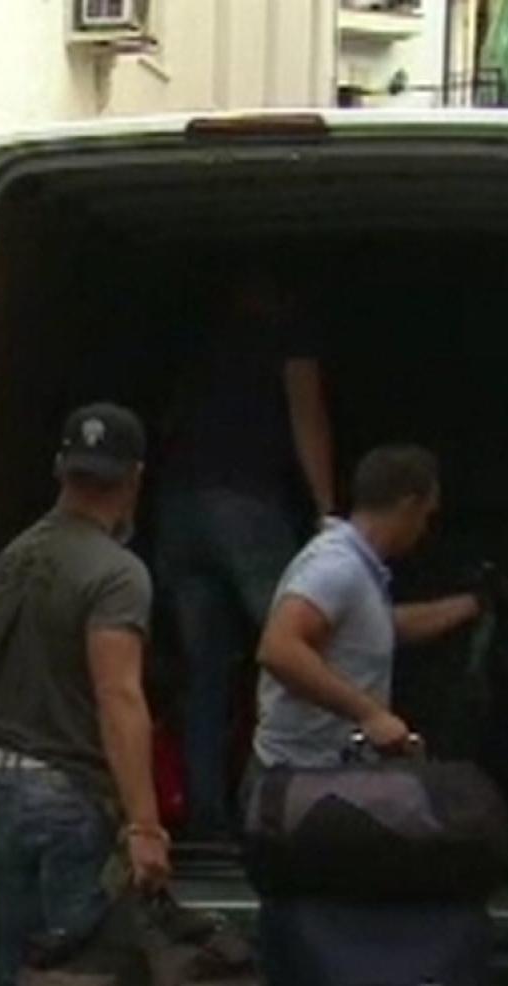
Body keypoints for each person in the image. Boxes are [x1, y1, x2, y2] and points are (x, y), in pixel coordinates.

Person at [0, 402, 172, 986]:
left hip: (3, 790)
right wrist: (145, 823)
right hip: (67, 800)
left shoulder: (10, 560)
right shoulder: (116, 574)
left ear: (61, 473)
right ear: (132, 482)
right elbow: (118, 696)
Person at [157, 266, 335, 837]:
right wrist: (327, 509)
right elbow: (307, 415)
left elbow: (167, 422)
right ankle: (293, 811)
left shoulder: (199, 338)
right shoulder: (290, 332)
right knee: (299, 655)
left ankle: (207, 817)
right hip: (247, 506)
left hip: (178, 509)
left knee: (204, 673)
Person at [254, 445, 482, 772]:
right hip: (300, 777)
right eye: (426, 516)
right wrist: (370, 714)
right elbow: (278, 649)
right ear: (408, 507)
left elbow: (376, 627)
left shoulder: (361, 569)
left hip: (324, 773)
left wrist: (468, 605)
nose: (425, 530)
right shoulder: (338, 566)